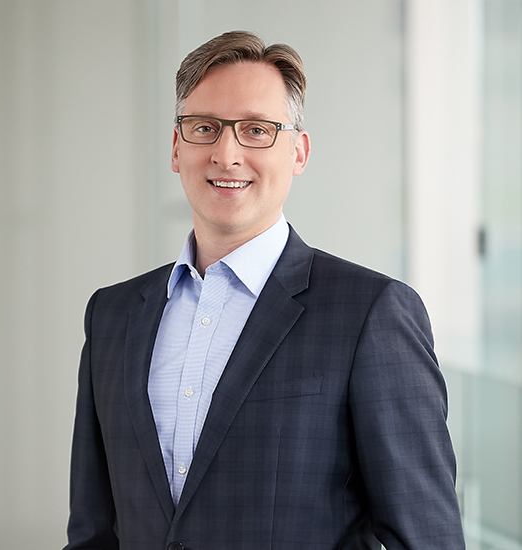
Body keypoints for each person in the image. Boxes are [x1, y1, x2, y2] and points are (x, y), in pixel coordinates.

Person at [63, 31, 465, 550]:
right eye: (204, 127)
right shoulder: (113, 315)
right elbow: (93, 533)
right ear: (176, 148)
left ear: (298, 152)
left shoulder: (371, 313)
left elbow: (428, 537)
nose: (226, 154)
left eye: (256, 130)